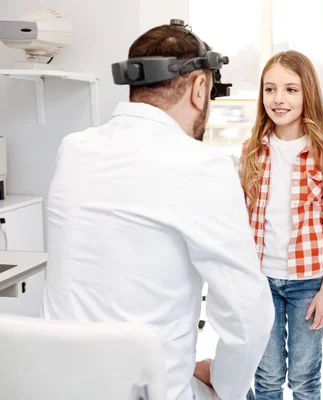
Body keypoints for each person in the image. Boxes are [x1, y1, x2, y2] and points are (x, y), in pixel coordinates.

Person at [42, 21, 274, 400]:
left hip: (56, 387)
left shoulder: (73, 150)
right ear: (200, 89)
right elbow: (249, 314)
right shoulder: (203, 166)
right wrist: (224, 382)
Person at [238, 50, 323, 399]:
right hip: (261, 281)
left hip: (309, 283)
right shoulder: (252, 150)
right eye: (270, 89)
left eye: (291, 89)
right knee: (267, 377)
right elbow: (240, 219)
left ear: (308, 95)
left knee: (304, 378)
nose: (278, 99)